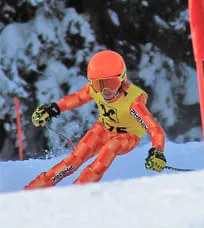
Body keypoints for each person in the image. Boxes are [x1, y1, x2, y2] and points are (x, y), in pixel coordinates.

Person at [24, 50, 167, 190]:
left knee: (111, 147)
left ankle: (75, 193)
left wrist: (157, 151)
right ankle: (31, 191)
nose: (106, 92)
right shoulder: (95, 90)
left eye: (111, 84)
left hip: (127, 135)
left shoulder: (133, 102)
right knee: (72, 162)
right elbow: (79, 98)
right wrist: (53, 108)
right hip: (103, 128)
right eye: (99, 85)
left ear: (123, 79)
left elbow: (154, 129)